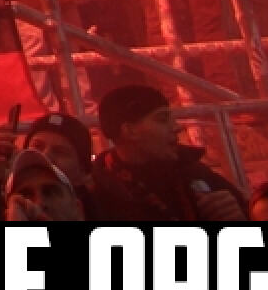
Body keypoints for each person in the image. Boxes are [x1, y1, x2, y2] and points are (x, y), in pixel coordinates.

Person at [83, 83, 245, 224]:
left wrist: (239, 221)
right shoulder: (95, 196)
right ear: (129, 131)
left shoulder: (197, 176)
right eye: (162, 119)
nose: (177, 127)